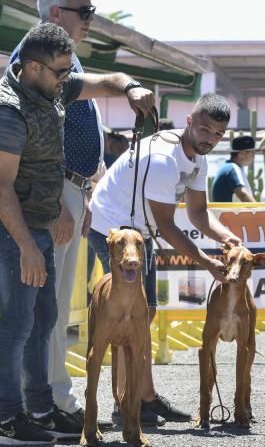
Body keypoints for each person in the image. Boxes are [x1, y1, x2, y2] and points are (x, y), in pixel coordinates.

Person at [0, 22, 156, 446]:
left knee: (44, 320)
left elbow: (105, 81)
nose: (66, 80)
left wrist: (130, 87)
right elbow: (1, 187)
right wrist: (25, 246)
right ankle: (8, 420)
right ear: (32, 67)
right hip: (8, 231)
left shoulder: (49, 88)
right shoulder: (5, 111)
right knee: (18, 323)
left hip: (36, 225)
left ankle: (39, 410)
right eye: (59, 72)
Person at [89, 92, 239, 427]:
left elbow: (200, 214)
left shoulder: (198, 159)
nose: (210, 139)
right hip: (111, 229)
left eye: (218, 134)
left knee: (145, 314)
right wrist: (206, 262)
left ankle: (144, 398)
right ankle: (125, 404)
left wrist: (225, 236)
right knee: (128, 319)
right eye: (205, 130)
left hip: (140, 233)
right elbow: (170, 228)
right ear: (189, 122)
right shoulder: (163, 159)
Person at [7, 0, 108, 426]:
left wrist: (82, 190)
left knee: (56, 306)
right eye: (83, 10)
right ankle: (47, 401)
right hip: (52, 190)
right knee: (45, 307)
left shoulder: (61, 58)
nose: (90, 18)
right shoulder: (35, 60)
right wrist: (58, 202)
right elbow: (36, 139)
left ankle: (51, 399)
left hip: (69, 188)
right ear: (55, 14)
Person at [211, 135, 257, 202]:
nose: (254, 156)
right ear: (241, 153)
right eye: (252, 152)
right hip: (229, 212)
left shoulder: (231, 167)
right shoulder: (233, 168)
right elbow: (242, 194)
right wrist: (259, 211)